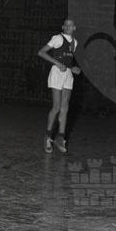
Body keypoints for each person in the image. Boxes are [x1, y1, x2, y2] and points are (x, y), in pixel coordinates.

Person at [37, 19, 81, 154]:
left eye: (70, 25)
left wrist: (73, 68)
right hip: (57, 73)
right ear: (63, 27)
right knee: (56, 107)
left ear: (74, 28)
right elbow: (41, 52)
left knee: (65, 107)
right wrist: (56, 63)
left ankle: (60, 138)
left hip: (68, 74)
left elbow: (68, 61)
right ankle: (47, 137)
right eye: (65, 25)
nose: (68, 26)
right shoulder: (57, 38)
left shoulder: (75, 42)